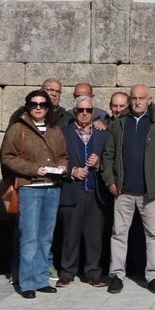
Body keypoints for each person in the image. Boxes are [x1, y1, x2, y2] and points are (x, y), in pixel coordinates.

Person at [101, 84, 155, 295]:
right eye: (133, 98)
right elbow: (108, 155)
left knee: (154, 235)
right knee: (118, 235)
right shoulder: (120, 123)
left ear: (150, 100)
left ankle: (153, 277)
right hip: (123, 191)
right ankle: (117, 275)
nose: (137, 102)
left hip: (149, 193)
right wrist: (110, 181)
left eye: (141, 98)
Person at [2, 89, 68, 299]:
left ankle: (41, 279)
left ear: (48, 107)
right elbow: (8, 157)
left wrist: (63, 167)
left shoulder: (55, 129)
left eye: (42, 104)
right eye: (34, 104)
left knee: (45, 237)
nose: (38, 108)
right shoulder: (18, 128)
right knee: (29, 237)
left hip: (52, 188)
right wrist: (33, 169)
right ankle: (27, 282)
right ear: (27, 106)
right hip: (30, 188)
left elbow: (64, 155)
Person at [58, 95, 108, 288]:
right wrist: (71, 171)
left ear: (93, 112)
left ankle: (93, 272)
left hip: (96, 192)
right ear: (75, 112)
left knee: (94, 236)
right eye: (80, 110)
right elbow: (56, 159)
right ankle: (68, 272)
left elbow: (111, 160)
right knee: (70, 235)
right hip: (72, 190)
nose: (84, 113)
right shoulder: (63, 133)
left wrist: (99, 163)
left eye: (88, 110)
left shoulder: (103, 133)